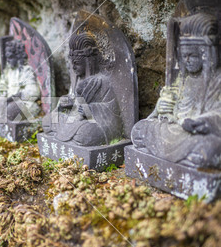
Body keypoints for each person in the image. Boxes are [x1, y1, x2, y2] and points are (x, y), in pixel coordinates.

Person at [131, 13, 221, 168]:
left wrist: (203, 121)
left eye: (192, 55)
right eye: (184, 56)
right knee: (138, 130)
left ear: (205, 54)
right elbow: (166, 113)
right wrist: (160, 109)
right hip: (173, 129)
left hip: (195, 134)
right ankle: (184, 159)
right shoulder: (182, 80)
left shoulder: (217, 80)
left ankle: (181, 156)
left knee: (210, 148)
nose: (187, 60)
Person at [42, 32, 123, 146]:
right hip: (74, 118)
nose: (74, 67)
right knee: (47, 121)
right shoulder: (77, 80)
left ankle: (72, 135)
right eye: (72, 63)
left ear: (88, 62)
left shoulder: (101, 81)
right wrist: (66, 102)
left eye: (77, 63)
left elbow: (112, 109)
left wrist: (89, 109)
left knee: (85, 134)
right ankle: (69, 135)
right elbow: (73, 100)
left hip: (94, 122)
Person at [0, 40, 41, 121]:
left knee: (11, 110)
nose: (8, 60)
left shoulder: (26, 71)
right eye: (7, 58)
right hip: (8, 102)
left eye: (10, 57)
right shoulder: (8, 72)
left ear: (17, 56)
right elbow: (2, 87)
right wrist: (3, 97)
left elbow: (34, 92)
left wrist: (17, 96)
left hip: (24, 103)